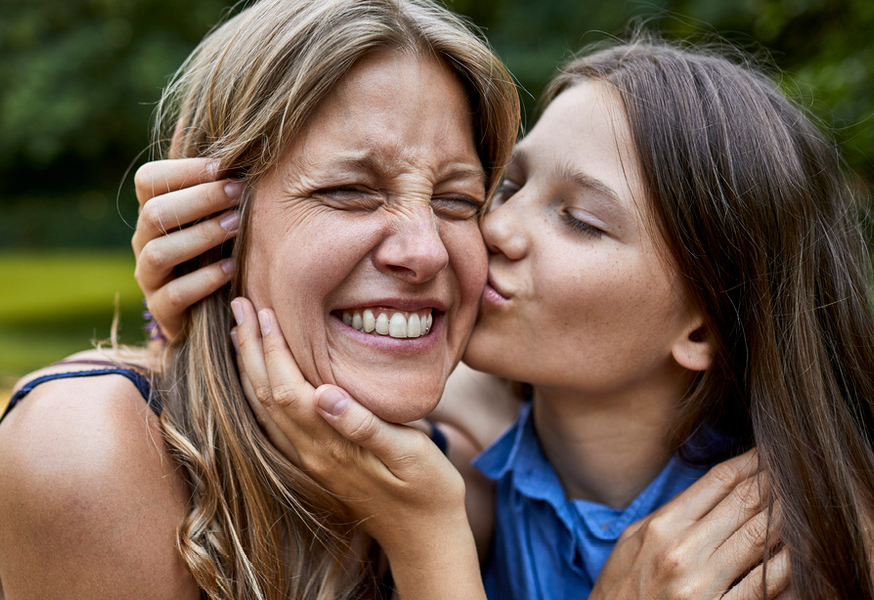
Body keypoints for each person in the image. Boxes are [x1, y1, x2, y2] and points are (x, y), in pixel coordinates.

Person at [135, 34, 874, 599]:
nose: (493, 231)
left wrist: (428, 539)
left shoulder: (778, 549)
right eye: (507, 185)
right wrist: (201, 291)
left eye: (580, 220)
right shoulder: (473, 462)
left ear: (702, 329)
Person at [0, 0, 520, 598]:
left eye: (457, 200)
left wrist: (430, 534)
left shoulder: (457, 485)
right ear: (206, 215)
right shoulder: (88, 454)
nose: (427, 252)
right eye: (350, 190)